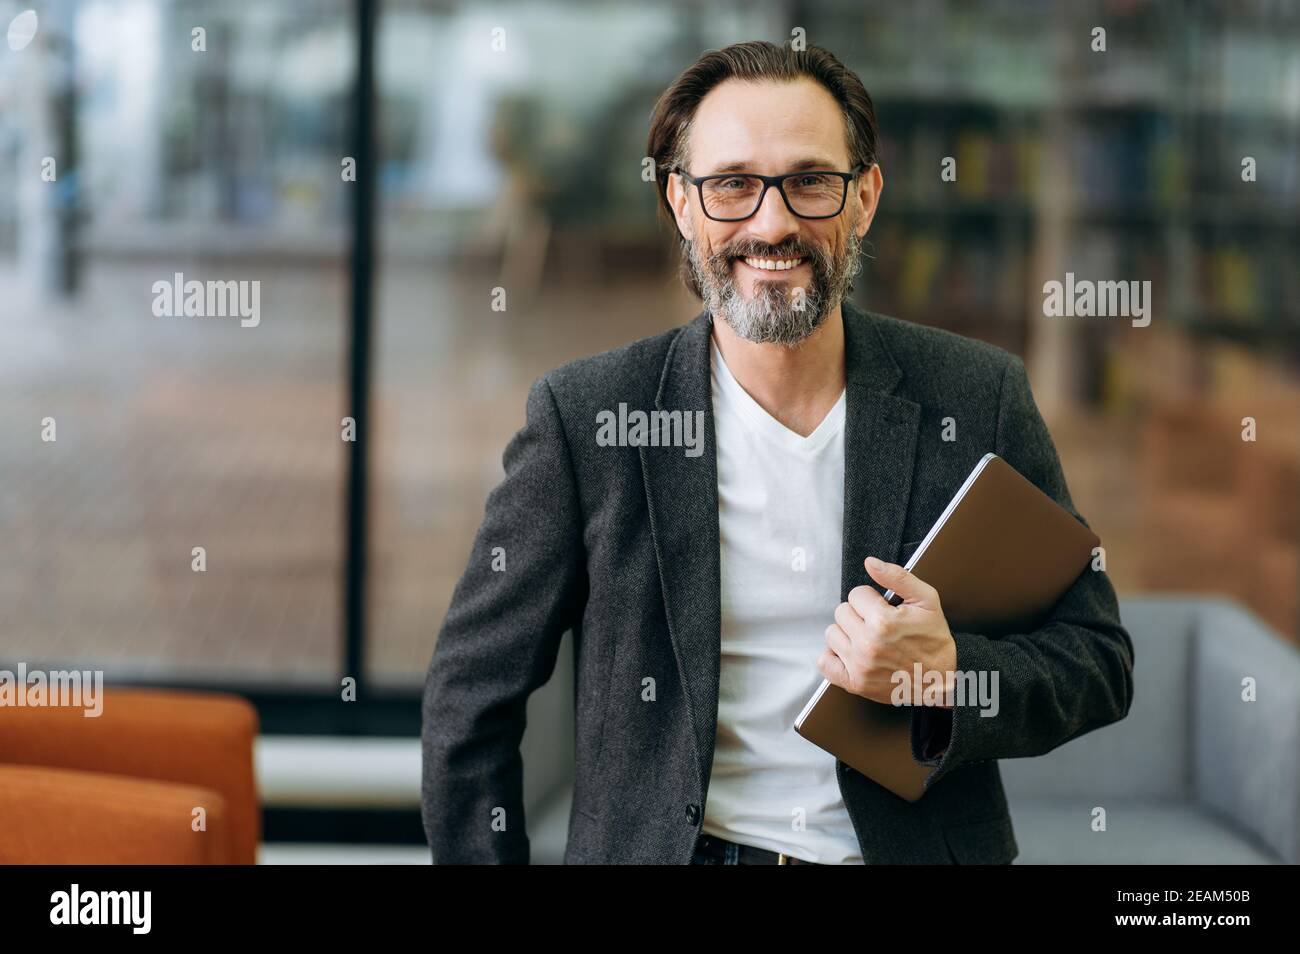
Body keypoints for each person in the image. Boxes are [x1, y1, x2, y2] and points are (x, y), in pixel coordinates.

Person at [421, 40, 1134, 865]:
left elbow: (1098, 660)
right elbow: (468, 704)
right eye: (732, 184)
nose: (773, 222)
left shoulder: (977, 398)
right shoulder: (588, 421)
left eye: (809, 181)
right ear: (680, 203)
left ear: (864, 196)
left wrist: (950, 673)